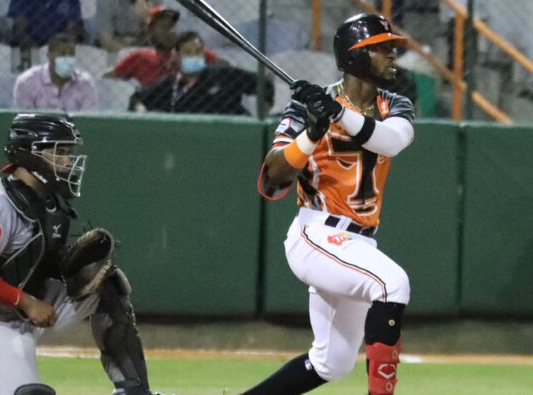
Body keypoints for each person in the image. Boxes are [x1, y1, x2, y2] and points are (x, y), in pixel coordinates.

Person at [0, 113, 165, 395]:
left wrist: (69, 268)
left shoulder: (49, 204)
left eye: (68, 152)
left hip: (17, 310)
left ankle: (134, 391)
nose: (67, 161)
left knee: (110, 285)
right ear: (31, 153)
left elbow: (37, 263)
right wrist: (26, 302)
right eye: (59, 152)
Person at [247, 13, 413, 395]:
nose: (392, 55)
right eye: (381, 48)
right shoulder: (309, 107)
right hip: (316, 234)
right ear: (355, 56)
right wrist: (313, 131)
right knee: (392, 284)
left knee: (331, 363)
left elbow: (391, 142)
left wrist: (339, 113)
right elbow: (274, 175)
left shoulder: (395, 105)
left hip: (359, 244)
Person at [129, 31, 270, 115]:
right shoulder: (169, 85)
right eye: (188, 52)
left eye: (197, 52)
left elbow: (265, 84)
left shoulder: (223, 75)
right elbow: (137, 98)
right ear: (176, 55)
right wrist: (142, 111)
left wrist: (261, 115)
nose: (194, 56)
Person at [104, 6, 222, 88]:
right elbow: (109, 78)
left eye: (173, 26)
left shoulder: (191, 51)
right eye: (164, 27)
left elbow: (226, 67)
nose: (171, 31)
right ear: (151, 30)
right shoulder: (138, 57)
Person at [13, 33, 97, 111]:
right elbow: (25, 119)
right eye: (62, 54)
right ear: (49, 55)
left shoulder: (85, 83)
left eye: (71, 54)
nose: (67, 58)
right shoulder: (27, 81)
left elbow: (88, 120)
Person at [8, 0, 83, 49]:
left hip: (59, 45)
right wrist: (34, 49)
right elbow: (20, 29)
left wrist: (60, 48)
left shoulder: (71, 1)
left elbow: (72, 31)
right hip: (30, 44)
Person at [96, 0, 162, 52]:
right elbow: (106, 41)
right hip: (113, 52)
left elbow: (160, 38)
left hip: (143, 47)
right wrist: (135, 55)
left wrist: (147, 19)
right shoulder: (106, 2)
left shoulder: (154, 2)